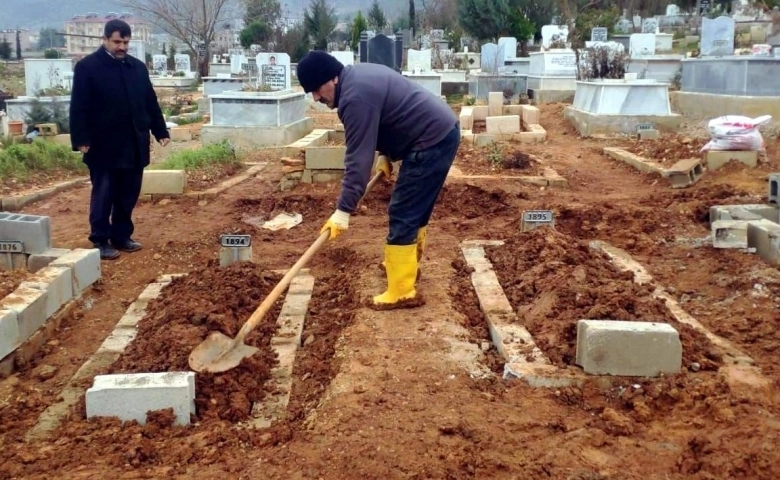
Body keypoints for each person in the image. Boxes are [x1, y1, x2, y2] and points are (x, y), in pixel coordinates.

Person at [296, 50, 460, 311]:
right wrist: (386, 154)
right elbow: (388, 118)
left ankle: (402, 290)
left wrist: (343, 210)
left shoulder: (354, 97)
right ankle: (405, 265)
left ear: (332, 79)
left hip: (431, 141)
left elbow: (357, 162)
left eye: (317, 89)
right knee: (415, 209)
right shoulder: (357, 79)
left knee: (404, 209)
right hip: (441, 132)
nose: (316, 97)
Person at [69, 19, 170, 260]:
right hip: (103, 145)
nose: (121, 47)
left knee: (128, 194)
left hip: (134, 143)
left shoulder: (137, 68)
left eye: (125, 42)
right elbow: (79, 107)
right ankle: (101, 239)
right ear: (105, 40)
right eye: (117, 42)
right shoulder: (88, 67)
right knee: (104, 194)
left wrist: (161, 131)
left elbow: (150, 102)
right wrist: (81, 139)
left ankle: (121, 235)